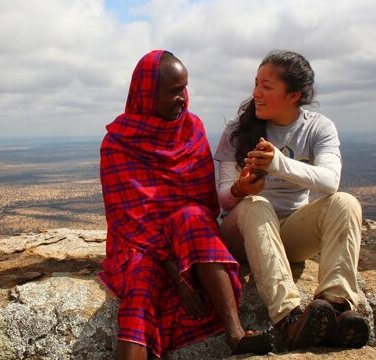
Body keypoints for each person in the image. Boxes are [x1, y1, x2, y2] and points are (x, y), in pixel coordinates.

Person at [99, 50, 272, 359]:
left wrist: (184, 257)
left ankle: (235, 334)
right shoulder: (118, 143)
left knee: (193, 217)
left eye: (185, 87)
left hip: (188, 235)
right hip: (139, 242)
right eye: (174, 90)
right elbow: (128, 221)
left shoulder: (192, 128)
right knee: (141, 278)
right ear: (147, 94)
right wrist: (176, 271)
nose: (183, 97)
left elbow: (204, 204)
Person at [214, 50, 370, 350]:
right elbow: (223, 197)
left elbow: (329, 181)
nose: (256, 93)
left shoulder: (317, 127)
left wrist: (277, 163)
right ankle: (289, 317)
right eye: (256, 83)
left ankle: (333, 308)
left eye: (267, 86)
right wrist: (241, 190)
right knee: (257, 205)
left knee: (346, 202)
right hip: (241, 234)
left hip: (289, 234)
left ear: (294, 95)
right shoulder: (237, 130)